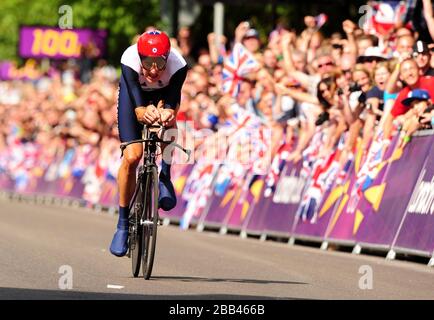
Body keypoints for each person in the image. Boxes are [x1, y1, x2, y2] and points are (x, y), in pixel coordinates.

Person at [110, 29, 188, 257]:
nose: (154, 69)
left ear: (168, 57)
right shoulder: (129, 59)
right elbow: (137, 106)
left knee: (169, 121)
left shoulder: (179, 65)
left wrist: (166, 112)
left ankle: (165, 174)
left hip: (163, 93)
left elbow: (172, 99)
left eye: (159, 63)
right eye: (148, 62)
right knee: (133, 156)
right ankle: (123, 223)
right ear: (139, 56)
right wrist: (143, 112)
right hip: (135, 97)